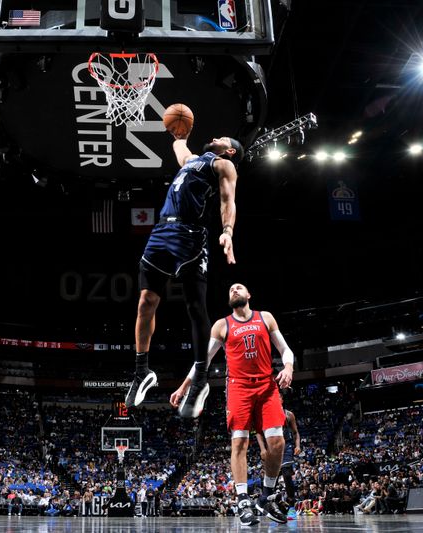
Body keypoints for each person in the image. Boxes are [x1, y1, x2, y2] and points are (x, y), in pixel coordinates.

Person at [125, 127, 244, 418]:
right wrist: (179, 131)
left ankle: (201, 379)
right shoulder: (191, 160)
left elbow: (228, 200)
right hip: (163, 230)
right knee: (145, 302)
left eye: (223, 138)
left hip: (190, 235)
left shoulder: (223, 164)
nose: (217, 135)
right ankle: (142, 372)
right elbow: (179, 145)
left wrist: (227, 232)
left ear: (229, 151)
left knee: (195, 307)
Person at [170, 282, 294, 525]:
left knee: (277, 442)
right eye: (230, 290)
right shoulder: (222, 325)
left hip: (267, 385)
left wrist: (288, 367)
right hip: (239, 387)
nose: (234, 290)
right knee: (240, 442)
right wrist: (183, 387)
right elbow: (202, 361)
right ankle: (243, 500)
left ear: (249, 294)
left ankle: (266, 496)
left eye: (239, 288)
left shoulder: (265, 318)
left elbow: (285, 349)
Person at [255, 405, 300, 519]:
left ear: (281, 399)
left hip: (287, 446)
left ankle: (291, 506)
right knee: (271, 478)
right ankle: (271, 504)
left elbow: (295, 432)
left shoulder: (288, 414)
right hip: (271, 447)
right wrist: (262, 449)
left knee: (287, 474)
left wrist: (298, 445)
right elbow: (259, 432)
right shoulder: (264, 413)